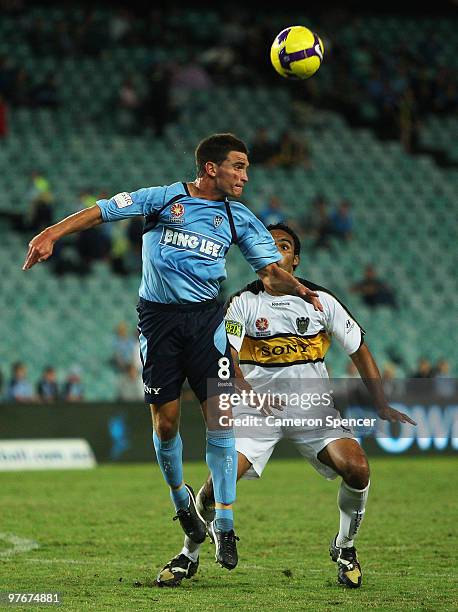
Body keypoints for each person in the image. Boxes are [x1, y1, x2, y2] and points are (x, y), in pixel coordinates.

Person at [22, 133, 322, 572]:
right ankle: (182, 502)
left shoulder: (238, 218)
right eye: (237, 166)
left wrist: (299, 289)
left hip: (207, 324)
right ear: (210, 168)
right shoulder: (162, 199)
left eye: (246, 168)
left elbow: (270, 273)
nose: (244, 175)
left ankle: (224, 521)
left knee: (220, 418)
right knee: (165, 425)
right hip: (159, 324)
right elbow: (103, 211)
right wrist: (52, 232)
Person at [157, 223, 416, 588]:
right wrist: (251, 395)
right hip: (255, 411)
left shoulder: (322, 301)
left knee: (357, 469)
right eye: (266, 244)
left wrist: (381, 403)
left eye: (283, 245)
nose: (274, 250)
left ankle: (345, 547)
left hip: (313, 409)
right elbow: (225, 359)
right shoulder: (242, 303)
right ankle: (189, 553)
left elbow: (359, 349)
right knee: (215, 489)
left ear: (295, 259)